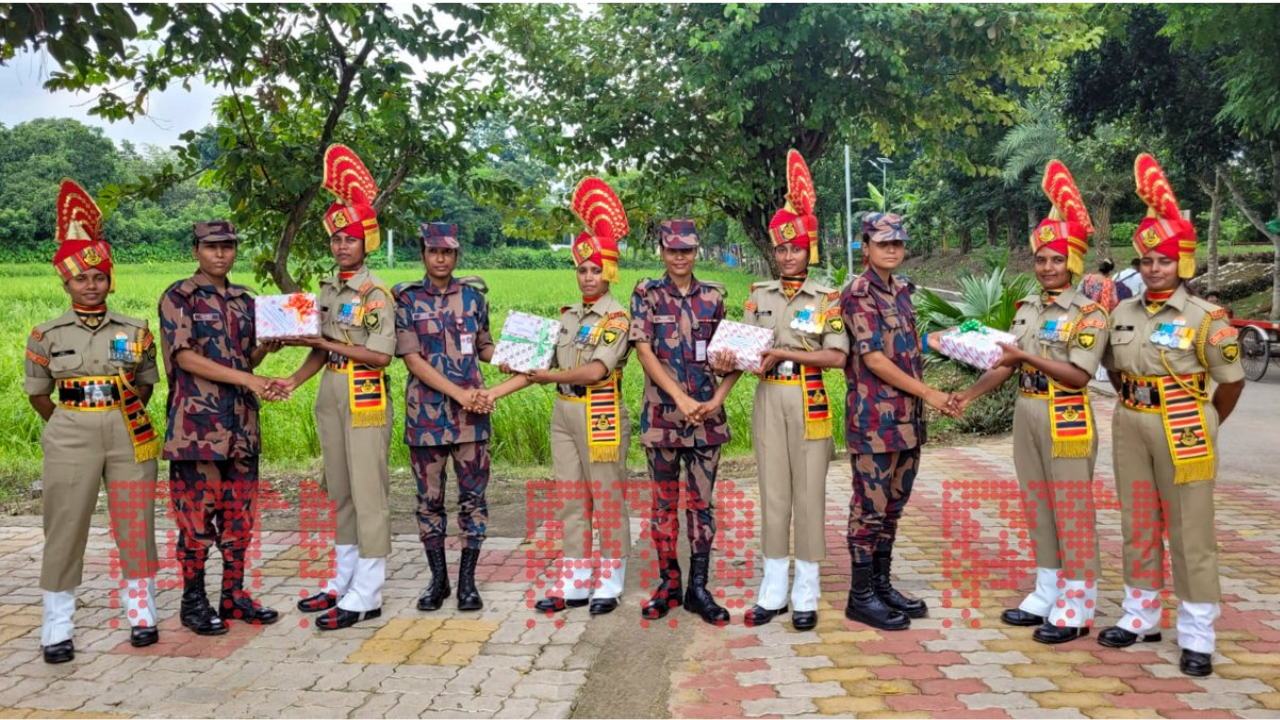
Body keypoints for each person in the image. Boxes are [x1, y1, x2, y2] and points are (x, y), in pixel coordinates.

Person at [1098, 154, 1245, 677]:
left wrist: (1204, 420)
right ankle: (1141, 616)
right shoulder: (1121, 313)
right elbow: (1115, 369)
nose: (1153, 268)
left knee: (1190, 530)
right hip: (1131, 422)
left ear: (1181, 263)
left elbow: (1231, 384)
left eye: (1163, 260)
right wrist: (1139, 401)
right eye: (1146, 261)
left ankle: (1198, 632)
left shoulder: (1206, 319)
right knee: (1138, 521)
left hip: (1185, 429)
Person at [952, 161, 1107, 644]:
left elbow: (1079, 375)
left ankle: (1079, 601)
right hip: (1028, 411)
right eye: (1041, 260)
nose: (1047, 268)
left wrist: (1023, 356)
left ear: (1073, 263)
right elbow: (1006, 364)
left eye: (1056, 260)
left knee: (1073, 509)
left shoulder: (1089, 313)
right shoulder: (1028, 309)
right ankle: (1048, 589)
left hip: (1067, 416)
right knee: (1039, 504)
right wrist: (966, 395)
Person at [24, 180, 162, 663]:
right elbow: (40, 394)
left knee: (134, 522)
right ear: (66, 283)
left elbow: (146, 383)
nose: (91, 284)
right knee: (65, 524)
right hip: (69, 432)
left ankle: (141, 612)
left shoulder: (136, 329)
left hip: (128, 432)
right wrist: (71, 419)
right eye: (81, 278)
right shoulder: (45, 334)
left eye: (99, 276)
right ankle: (57, 626)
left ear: (110, 280)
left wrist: (117, 408)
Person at [714, 151, 848, 631]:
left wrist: (787, 353)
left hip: (809, 396)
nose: (788, 255)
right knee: (772, 492)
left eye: (796, 248)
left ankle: (807, 588)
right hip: (769, 396)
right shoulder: (759, 295)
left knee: (809, 493)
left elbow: (837, 356)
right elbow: (744, 350)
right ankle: (772, 586)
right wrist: (727, 361)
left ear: (808, 249)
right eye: (781, 249)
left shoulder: (827, 298)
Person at [490, 177, 634, 615]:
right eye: (581, 270)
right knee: (572, 498)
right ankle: (574, 583)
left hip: (601, 411)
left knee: (606, 498)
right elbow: (536, 367)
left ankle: (610, 581)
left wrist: (547, 374)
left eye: (595, 270)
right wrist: (495, 388)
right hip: (564, 412)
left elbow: (594, 370)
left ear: (607, 272)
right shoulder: (567, 318)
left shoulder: (616, 318)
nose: (587, 277)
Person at [159, 220, 286, 637]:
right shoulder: (180, 297)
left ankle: (232, 596)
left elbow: (247, 359)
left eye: (228, 246)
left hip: (241, 427)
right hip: (197, 429)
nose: (220, 254)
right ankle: (192, 602)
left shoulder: (244, 299)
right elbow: (184, 357)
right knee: (196, 523)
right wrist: (248, 379)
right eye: (211, 246)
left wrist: (268, 345)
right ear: (195, 249)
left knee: (239, 519)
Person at [288, 145, 396, 629]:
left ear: (365, 242)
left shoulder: (375, 294)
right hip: (330, 390)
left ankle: (369, 590)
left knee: (368, 491)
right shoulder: (329, 290)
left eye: (350, 240)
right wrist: (291, 380)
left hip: (365, 392)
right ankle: (343, 579)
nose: (341, 247)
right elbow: (321, 346)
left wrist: (325, 338)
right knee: (341, 490)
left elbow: (379, 353)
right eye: (335, 239)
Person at [839, 213, 958, 631]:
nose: (891, 249)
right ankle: (860, 596)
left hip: (908, 421)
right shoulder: (858, 293)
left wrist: (944, 340)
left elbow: (902, 342)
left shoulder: (903, 290)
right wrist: (930, 394)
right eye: (882, 242)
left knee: (892, 507)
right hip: (874, 420)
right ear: (865, 245)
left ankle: (881, 585)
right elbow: (872, 358)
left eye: (898, 243)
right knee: (868, 509)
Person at [631, 218, 741, 625]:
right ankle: (668, 583)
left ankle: (698, 587)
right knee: (663, 506)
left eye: (687, 249)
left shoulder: (713, 298)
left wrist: (716, 399)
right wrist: (679, 397)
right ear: (662, 250)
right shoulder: (647, 293)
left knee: (700, 506)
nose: (680, 256)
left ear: (696, 250)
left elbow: (735, 356)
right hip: (662, 418)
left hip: (706, 421)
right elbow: (644, 351)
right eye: (672, 249)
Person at [395, 221, 495, 613]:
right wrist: (459, 395)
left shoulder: (473, 298)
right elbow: (412, 359)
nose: (441, 258)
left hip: (472, 419)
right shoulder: (406, 299)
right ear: (423, 254)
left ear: (457, 255)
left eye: (449, 252)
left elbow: (483, 345)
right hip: (427, 418)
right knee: (429, 501)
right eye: (434, 251)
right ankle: (438, 581)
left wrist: (521, 355)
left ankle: (468, 583)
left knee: (473, 499)